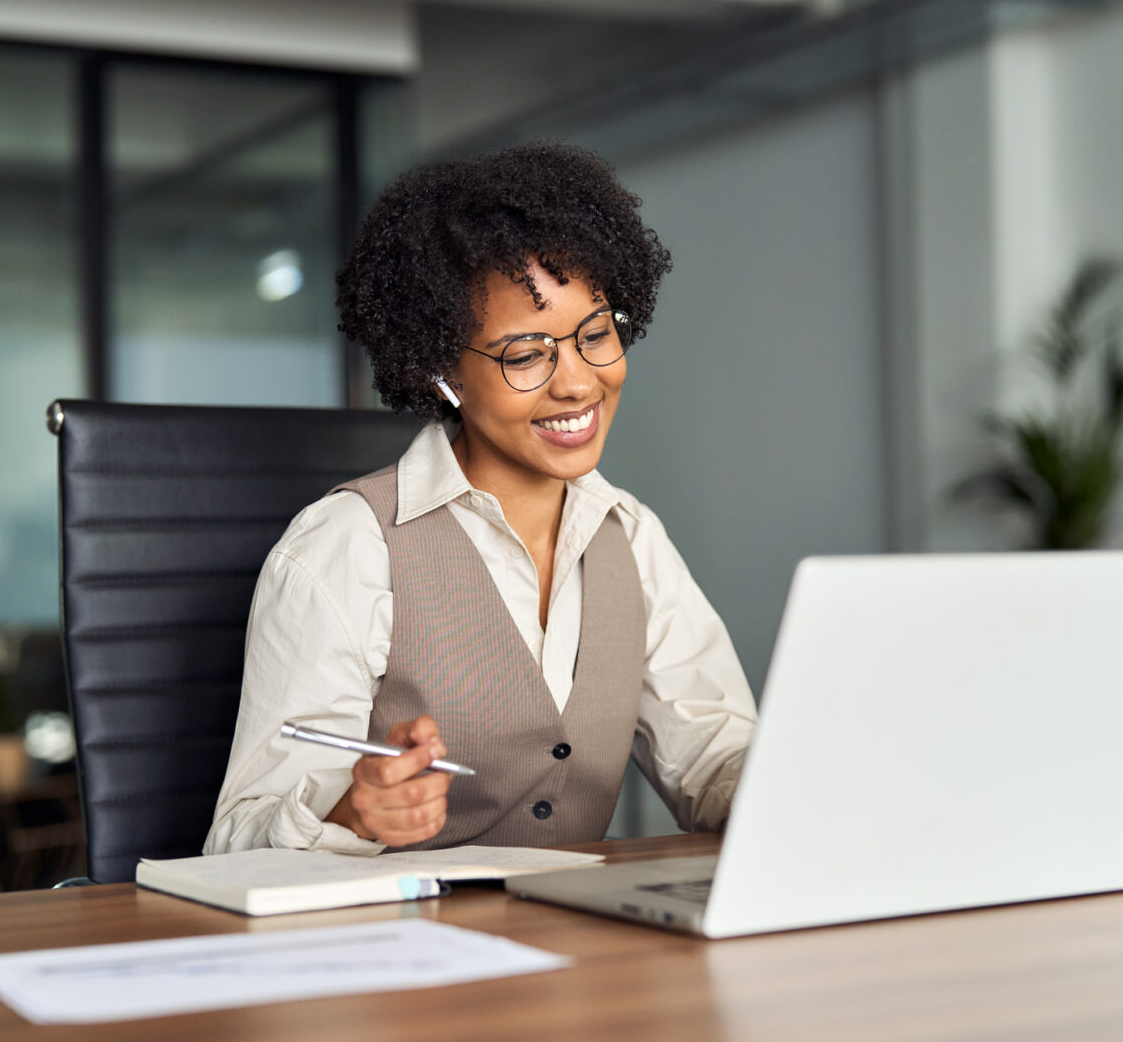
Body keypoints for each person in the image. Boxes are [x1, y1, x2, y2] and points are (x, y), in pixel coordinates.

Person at [206, 141, 755, 854]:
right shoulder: (345, 545)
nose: (579, 383)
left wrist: (780, 784)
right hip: (400, 951)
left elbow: (714, 756)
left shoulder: (629, 536)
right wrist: (350, 814)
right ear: (442, 372)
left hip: (583, 951)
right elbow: (235, 842)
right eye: (527, 355)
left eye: (595, 334)